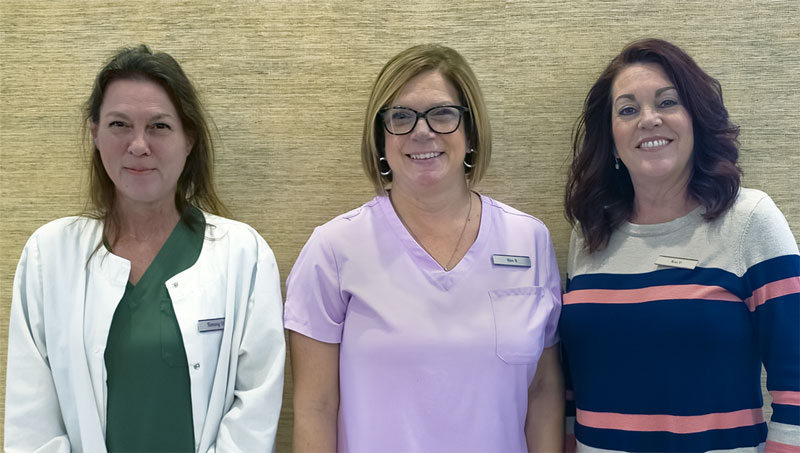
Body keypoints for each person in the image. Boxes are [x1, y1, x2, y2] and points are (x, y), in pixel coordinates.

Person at [4, 45, 285, 452]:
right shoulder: (49, 256)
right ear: (95, 134)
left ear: (189, 139)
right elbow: (31, 422)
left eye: (159, 126)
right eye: (119, 124)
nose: (138, 145)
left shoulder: (244, 255)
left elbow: (255, 408)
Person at [284, 43, 563, 452]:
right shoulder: (334, 249)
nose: (421, 131)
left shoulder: (529, 240)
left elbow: (542, 391)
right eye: (400, 116)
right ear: (381, 139)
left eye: (442, 113)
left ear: (471, 132)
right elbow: (315, 407)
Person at [562, 38, 800, 452]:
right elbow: (569, 383)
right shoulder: (589, 232)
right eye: (628, 109)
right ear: (611, 137)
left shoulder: (748, 219)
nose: (649, 120)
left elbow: (795, 379)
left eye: (667, 102)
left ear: (696, 119)